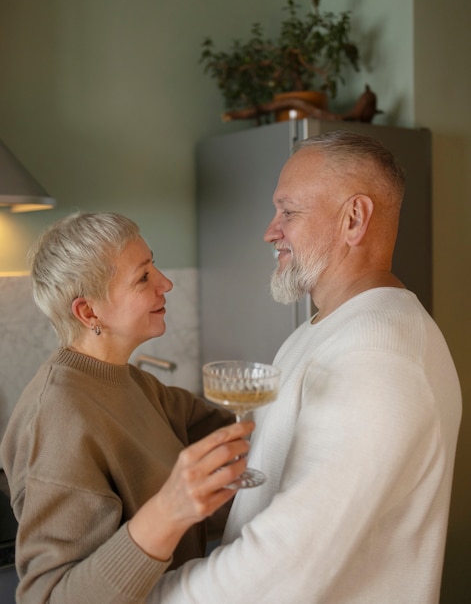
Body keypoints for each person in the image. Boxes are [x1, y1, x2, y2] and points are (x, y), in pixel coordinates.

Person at [148, 130, 462, 603]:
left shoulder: (377, 356)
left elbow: (283, 568)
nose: (270, 231)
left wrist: (143, 596)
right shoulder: (324, 330)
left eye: (288, 212)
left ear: (353, 219)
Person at [0, 212, 254, 604]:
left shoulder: (134, 383)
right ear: (88, 313)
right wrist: (168, 512)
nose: (166, 284)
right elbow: (46, 597)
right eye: (143, 277)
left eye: (154, 266)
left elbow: (236, 435)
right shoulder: (58, 419)